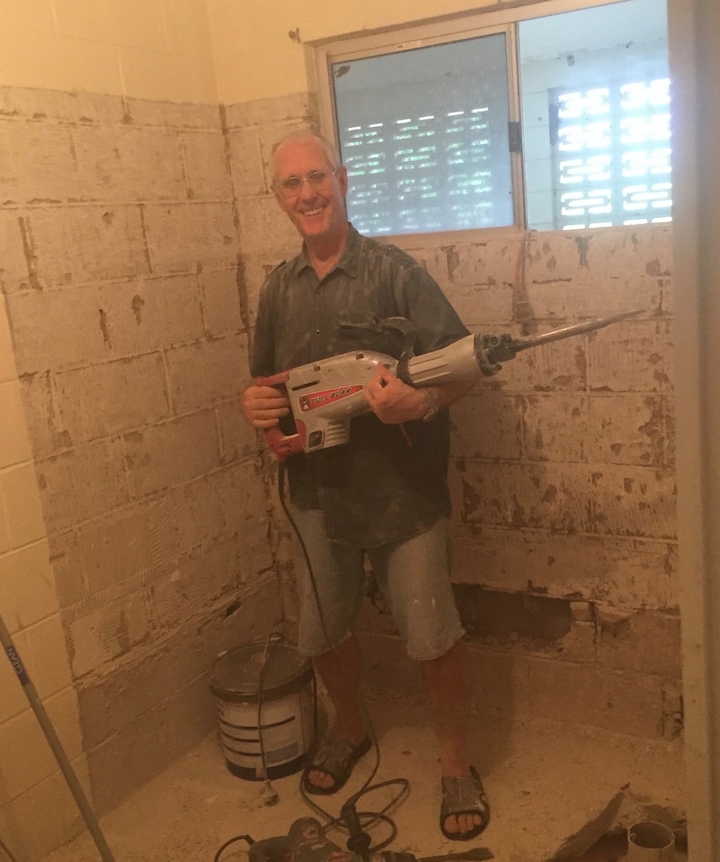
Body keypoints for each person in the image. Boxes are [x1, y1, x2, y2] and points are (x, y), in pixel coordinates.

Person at [240, 130, 488, 841]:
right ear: (279, 197)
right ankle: (349, 727)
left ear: (343, 180)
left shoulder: (395, 274)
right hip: (317, 498)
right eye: (292, 184)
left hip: (402, 496)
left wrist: (425, 401)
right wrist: (257, 413)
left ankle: (454, 763)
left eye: (317, 177)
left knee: (431, 636)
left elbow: (466, 367)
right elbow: (267, 390)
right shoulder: (276, 292)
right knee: (321, 632)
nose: (308, 194)